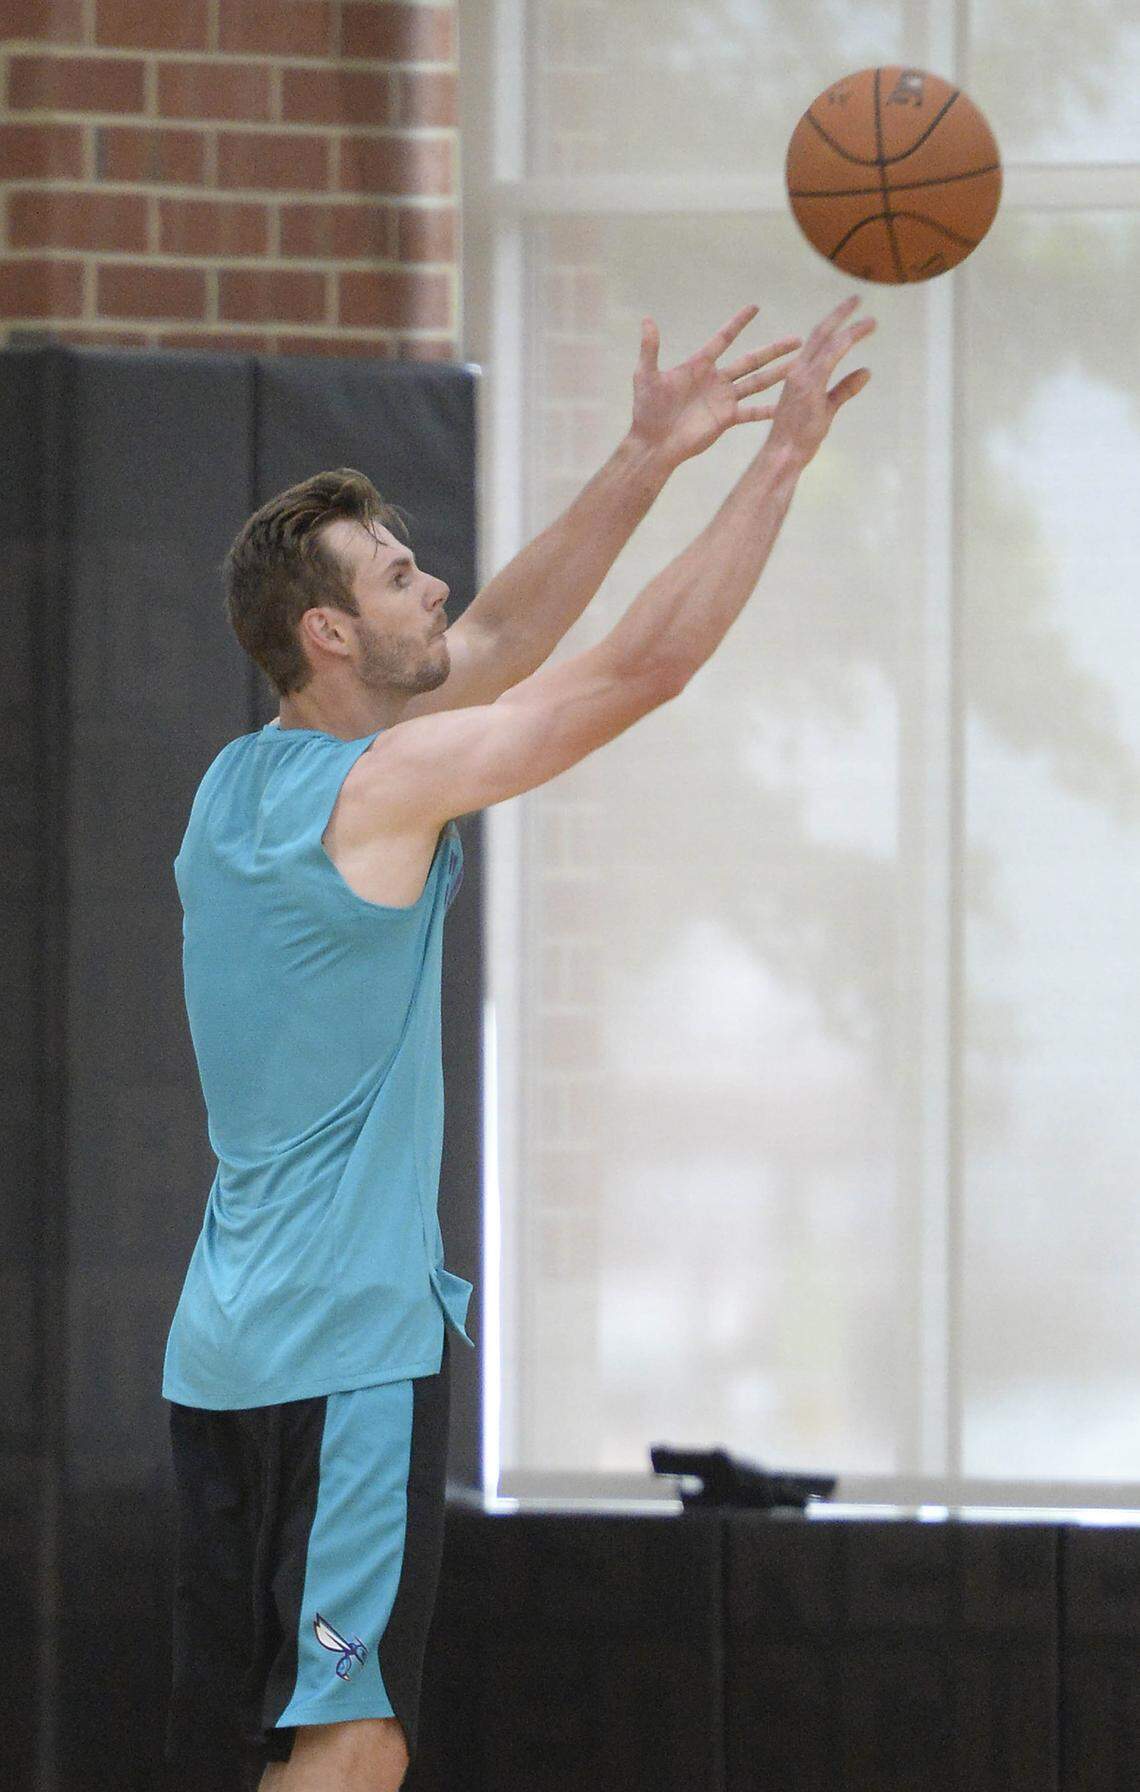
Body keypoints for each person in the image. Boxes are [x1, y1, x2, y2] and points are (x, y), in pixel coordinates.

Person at [162, 292, 876, 1792]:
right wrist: (777, 460)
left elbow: (497, 641)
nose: (439, 593)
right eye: (400, 576)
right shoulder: (381, 792)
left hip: (224, 1359)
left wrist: (643, 455)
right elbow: (633, 673)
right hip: (347, 1350)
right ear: (328, 629)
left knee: (265, 1749)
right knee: (352, 1748)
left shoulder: (240, 788)